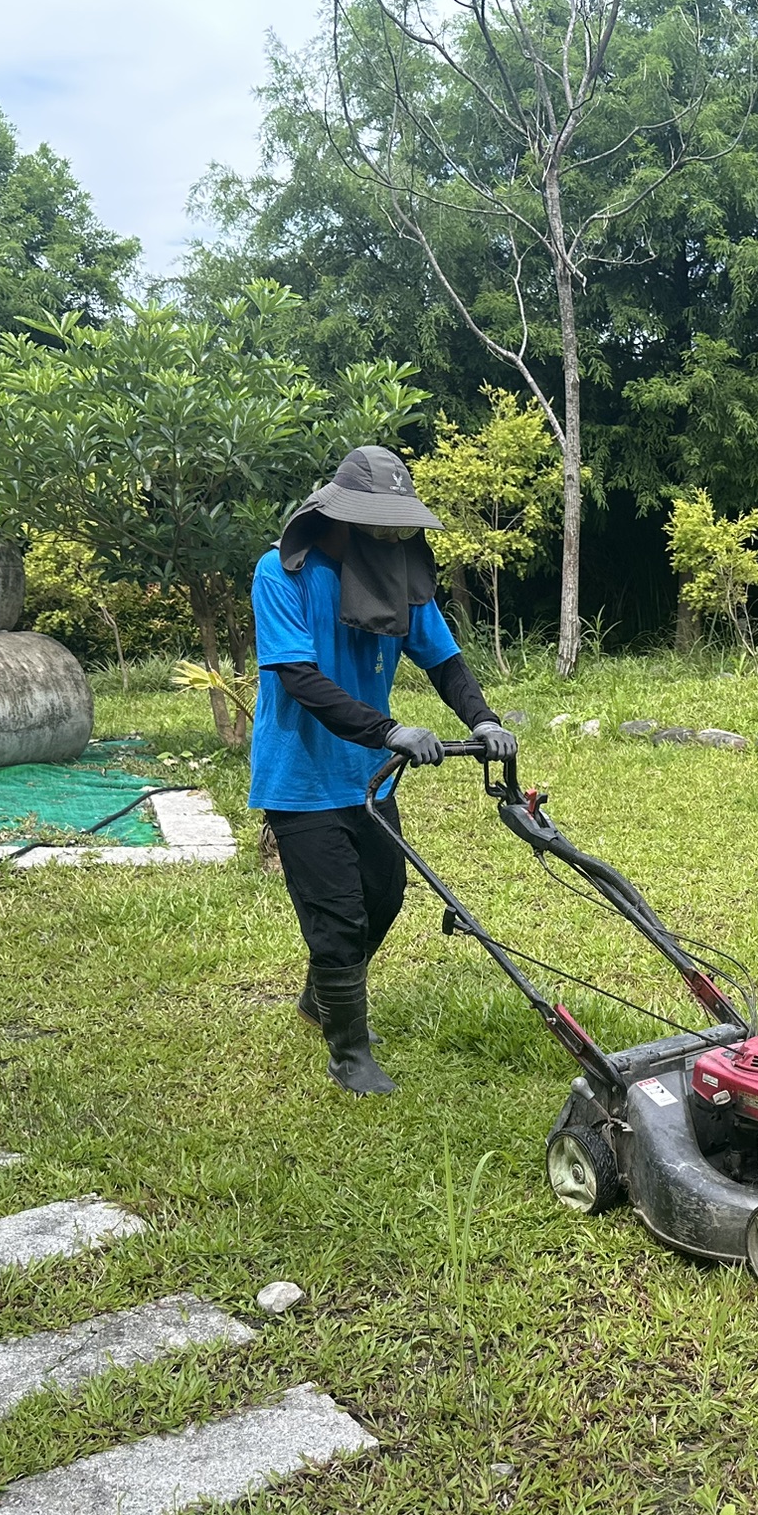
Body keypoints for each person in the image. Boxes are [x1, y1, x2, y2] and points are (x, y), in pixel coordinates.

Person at [249, 445, 515, 1096]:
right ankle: (349, 1054)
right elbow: (300, 679)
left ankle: (325, 993)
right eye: (377, 521)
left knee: (384, 898)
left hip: (369, 777)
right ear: (339, 516)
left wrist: (481, 719)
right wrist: (389, 729)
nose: (390, 535)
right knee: (338, 916)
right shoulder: (282, 574)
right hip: (301, 780)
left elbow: (444, 662)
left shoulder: (399, 578)